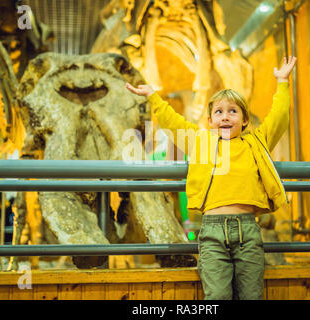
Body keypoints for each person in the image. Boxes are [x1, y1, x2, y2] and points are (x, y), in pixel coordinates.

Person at [126, 56, 297, 300]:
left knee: (252, 295)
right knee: (216, 296)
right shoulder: (201, 142)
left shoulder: (255, 142)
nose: (225, 117)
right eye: (219, 112)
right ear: (210, 121)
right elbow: (173, 123)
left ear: (245, 120)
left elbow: (279, 116)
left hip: (248, 231)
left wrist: (282, 82)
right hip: (212, 233)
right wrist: (153, 96)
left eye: (233, 111)